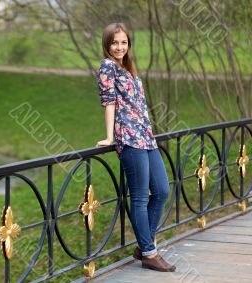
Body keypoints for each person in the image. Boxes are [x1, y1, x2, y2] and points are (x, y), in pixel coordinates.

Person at [95, 22, 176, 272]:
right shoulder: (107, 66)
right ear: (107, 44)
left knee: (162, 190)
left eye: (123, 42)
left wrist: (150, 132)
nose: (119, 47)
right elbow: (109, 103)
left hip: (146, 137)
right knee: (140, 197)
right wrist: (109, 137)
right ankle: (149, 253)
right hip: (128, 137)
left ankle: (143, 245)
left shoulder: (127, 67)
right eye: (114, 42)